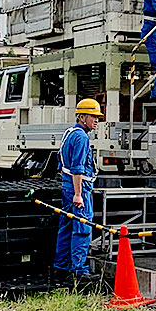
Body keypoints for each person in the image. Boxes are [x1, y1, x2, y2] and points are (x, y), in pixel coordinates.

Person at [54, 99, 102, 285]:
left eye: (97, 117)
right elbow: (78, 168)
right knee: (82, 228)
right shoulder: (82, 137)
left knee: (66, 227)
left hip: (67, 186)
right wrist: (78, 194)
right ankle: (79, 271)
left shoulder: (70, 133)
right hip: (78, 189)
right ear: (82, 117)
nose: (96, 120)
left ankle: (61, 266)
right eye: (93, 116)